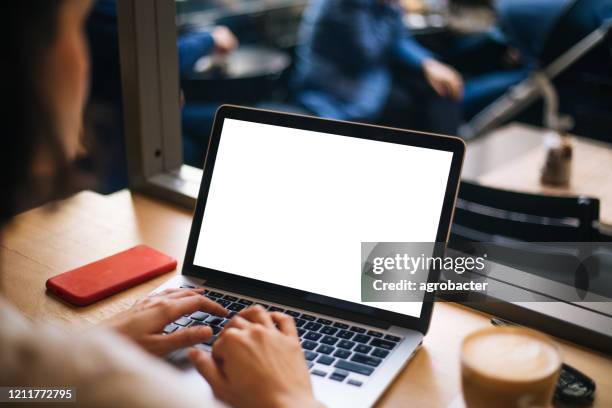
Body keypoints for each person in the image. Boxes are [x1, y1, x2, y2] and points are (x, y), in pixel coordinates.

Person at [1, 2, 320, 407]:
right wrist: (288, 397)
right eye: (77, 28)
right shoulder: (126, 391)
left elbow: (23, 395)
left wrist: (89, 348)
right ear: (20, 66)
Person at [291, 0, 464, 135]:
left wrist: (428, 63)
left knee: (438, 92)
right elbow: (368, 50)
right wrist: (391, 7)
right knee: (420, 102)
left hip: (370, 79)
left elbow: (399, 39)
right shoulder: (346, 4)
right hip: (338, 93)